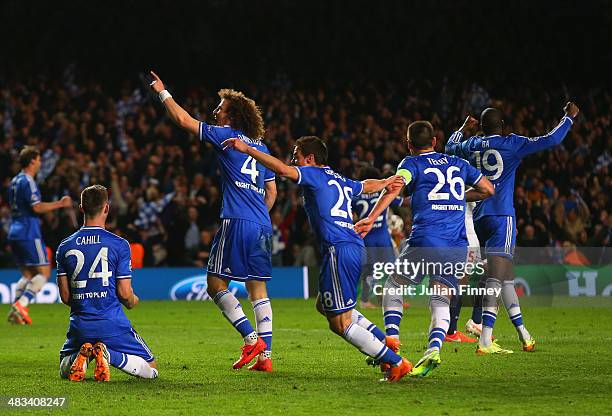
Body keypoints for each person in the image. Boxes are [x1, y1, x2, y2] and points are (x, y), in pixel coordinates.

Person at [225, 135, 413, 382]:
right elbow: (363, 185)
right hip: (348, 246)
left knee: (340, 324)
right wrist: (386, 181)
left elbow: (281, 169)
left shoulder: (312, 174)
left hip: (339, 248)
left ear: (310, 159)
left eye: (296, 155)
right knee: (324, 305)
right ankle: (381, 339)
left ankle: (396, 362)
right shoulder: (337, 177)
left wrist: (247, 149)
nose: (293, 160)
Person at [149, 71, 277, 371]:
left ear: (231, 116)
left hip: (236, 220)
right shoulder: (262, 147)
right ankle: (266, 358)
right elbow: (271, 190)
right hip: (261, 224)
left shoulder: (226, 135)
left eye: (219, 108)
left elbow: (183, 121)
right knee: (258, 289)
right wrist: (259, 213)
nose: (215, 111)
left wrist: (162, 92)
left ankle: (250, 338)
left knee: (215, 282)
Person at [355, 121, 494, 376]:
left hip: (425, 240)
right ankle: (434, 348)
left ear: (409, 145)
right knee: (440, 296)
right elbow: (488, 189)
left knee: (394, 286)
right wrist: (459, 196)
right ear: (435, 141)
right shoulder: (459, 164)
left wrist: (373, 217)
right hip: (456, 246)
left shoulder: (411, 163)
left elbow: (396, 186)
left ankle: (393, 339)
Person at [445, 101, 579, 354]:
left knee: (504, 274)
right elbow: (551, 140)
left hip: (480, 217)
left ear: (481, 128)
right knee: (497, 276)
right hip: (502, 216)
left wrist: (463, 128)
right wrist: (569, 118)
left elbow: (449, 146)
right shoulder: (512, 143)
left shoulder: (471, 145)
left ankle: (524, 334)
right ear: (503, 126)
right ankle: (484, 337)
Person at [57, 185, 158, 382]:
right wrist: (134, 301)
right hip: (113, 324)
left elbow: (66, 297)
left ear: (81, 208)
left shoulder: (65, 246)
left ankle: (82, 355)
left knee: (63, 368)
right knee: (152, 369)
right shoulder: (119, 244)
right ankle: (110, 355)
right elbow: (125, 295)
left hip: (80, 326)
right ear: (106, 208)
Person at [7, 146, 72, 325]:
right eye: (39, 159)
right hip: (29, 232)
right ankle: (22, 304)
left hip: (14, 231)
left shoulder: (14, 181)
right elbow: (36, 207)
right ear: (32, 161)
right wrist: (60, 204)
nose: (40, 163)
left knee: (27, 274)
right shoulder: (28, 181)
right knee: (43, 272)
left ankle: (17, 312)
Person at [352, 166, 407, 309]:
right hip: (382, 237)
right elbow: (402, 202)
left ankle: (365, 300)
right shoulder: (382, 192)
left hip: (366, 237)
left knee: (369, 271)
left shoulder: (355, 196)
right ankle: (393, 299)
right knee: (392, 269)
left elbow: (351, 215)